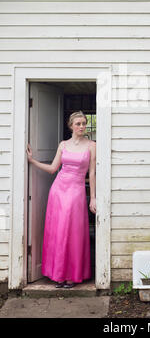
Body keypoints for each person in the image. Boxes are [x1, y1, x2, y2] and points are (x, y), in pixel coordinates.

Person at [26, 111, 96, 288]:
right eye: (78, 124)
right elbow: (52, 168)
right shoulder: (63, 144)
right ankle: (58, 275)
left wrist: (93, 197)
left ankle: (72, 275)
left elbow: (93, 173)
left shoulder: (92, 145)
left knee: (73, 232)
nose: (82, 127)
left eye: (84, 123)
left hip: (76, 191)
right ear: (71, 125)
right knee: (58, 232)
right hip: (58, 190)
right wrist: (32, 160)